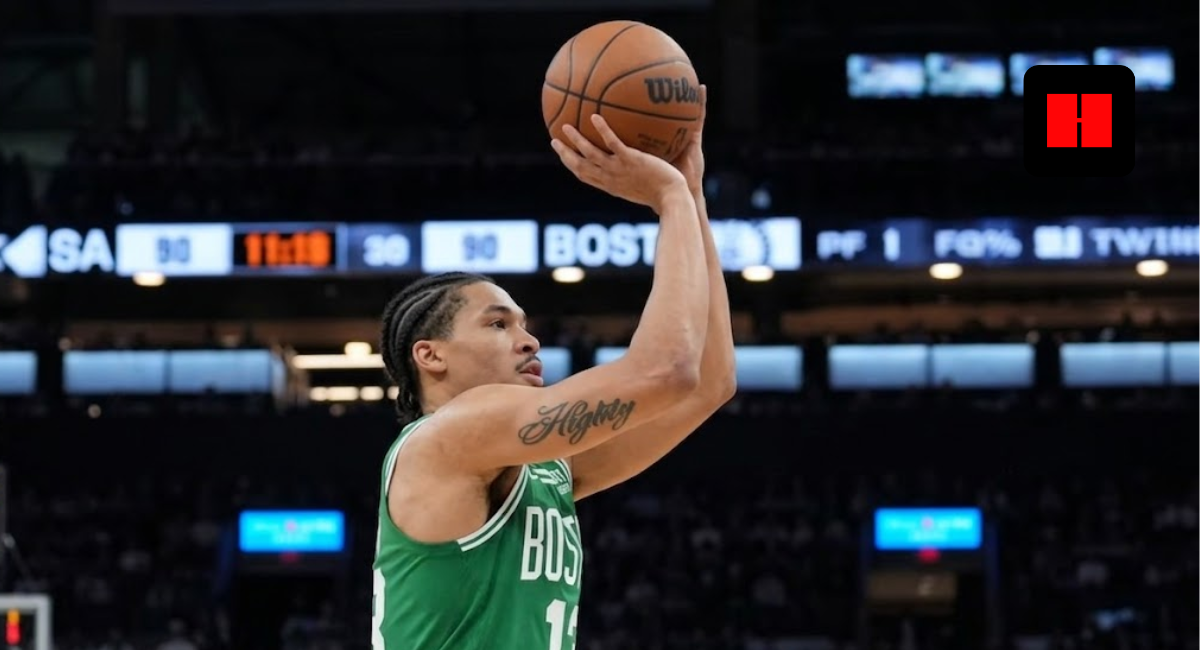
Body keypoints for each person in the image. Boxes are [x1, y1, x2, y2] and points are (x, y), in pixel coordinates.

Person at [370, 86, 735, 650]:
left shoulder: (544, 468)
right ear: (430, 354)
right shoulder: (450, 436)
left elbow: (708, 384)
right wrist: (669, 199)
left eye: (523, 324)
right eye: (498, 325)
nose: (528, 340)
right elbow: (667, 370)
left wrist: (691, 197)